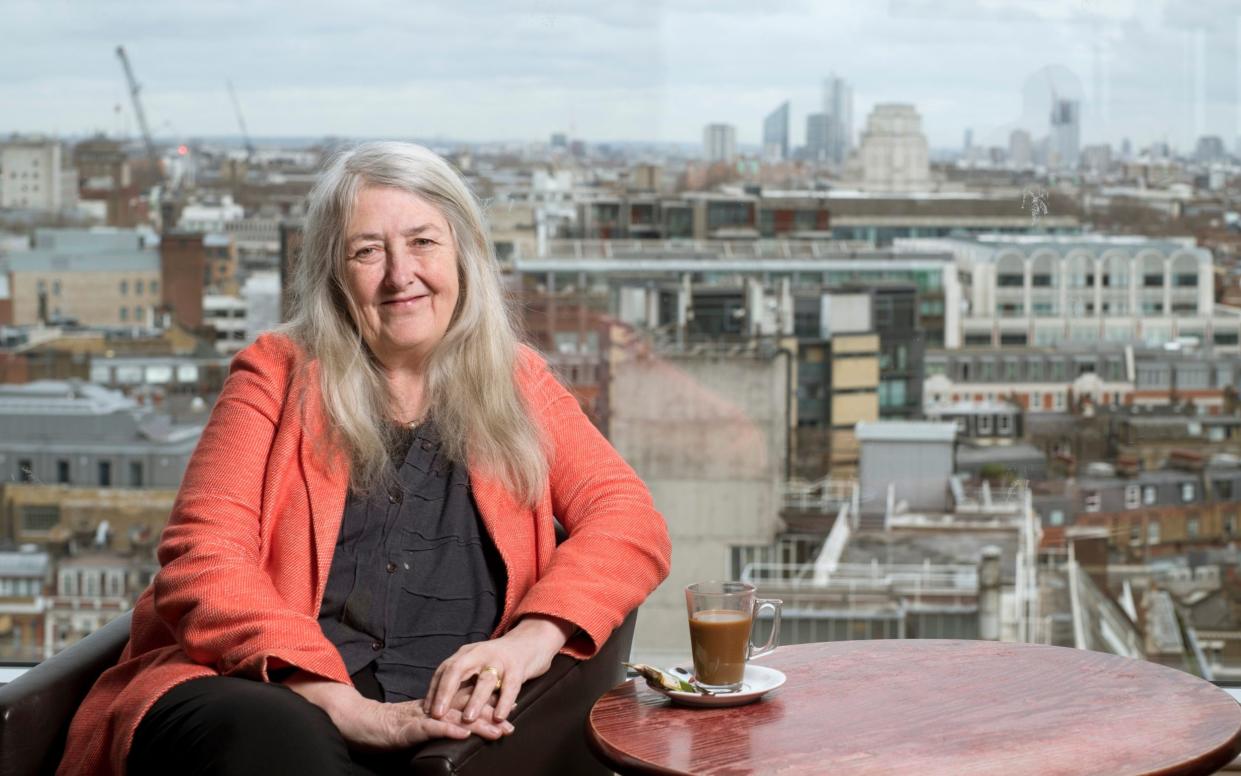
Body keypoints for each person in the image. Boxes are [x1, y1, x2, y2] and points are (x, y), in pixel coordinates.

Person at [57, 141, 672, 776]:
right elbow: (202, 561)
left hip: (449, 730)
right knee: (282, 741)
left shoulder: (517, 382)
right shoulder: (274, 374)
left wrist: (528, 643)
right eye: (367, 251)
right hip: (262, 694)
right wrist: (344, 706)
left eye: (424, 242)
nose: (400, 274)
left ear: (464, 253)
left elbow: (629, 520)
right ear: (333, 274)